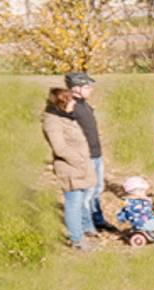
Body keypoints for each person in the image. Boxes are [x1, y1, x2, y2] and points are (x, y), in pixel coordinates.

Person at [41, 87, 95, 250]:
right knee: (73, 203)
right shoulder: (52, 122)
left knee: (78, 203)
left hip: (80, 166)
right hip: (70, 168)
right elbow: (60, 148)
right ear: (61, 103)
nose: (74, 103)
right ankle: (77, 239)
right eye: (70, 100)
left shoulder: (66, 117)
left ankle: (80, 233)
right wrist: (79, 161)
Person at [63, 71, 115, 235]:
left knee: (97, 189)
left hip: (96, 154)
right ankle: (86, 226)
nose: (91, 89)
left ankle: (97, 220)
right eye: (87, 86)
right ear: (76, 88)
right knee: (87, 192)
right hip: (84, 157)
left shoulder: (85, 104)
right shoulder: (70, 107)